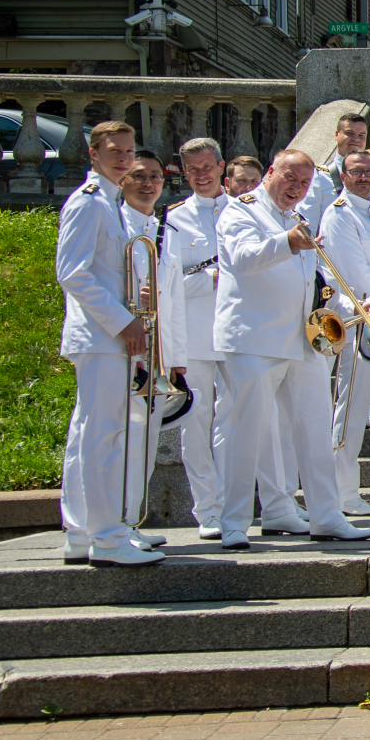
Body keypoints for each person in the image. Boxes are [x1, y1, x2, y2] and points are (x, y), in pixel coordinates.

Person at [211, 150, 370, 551]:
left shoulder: (296, 220)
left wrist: (349, 308)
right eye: (290, 178)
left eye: (304, 184)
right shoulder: (241, 211)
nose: (297, 189)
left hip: (301, 341)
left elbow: (312, 287)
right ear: (270, 173)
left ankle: (326, 515)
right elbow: (243, 259)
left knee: (315, 429)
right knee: (247, 432)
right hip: (254, 340)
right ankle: (233, 521)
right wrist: (287, 241)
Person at [58, 122, 168, 566]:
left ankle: (84, 530)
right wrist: (124, 322)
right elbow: (73, 272)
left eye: (127, 151)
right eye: (114, 151)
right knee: (103, 436)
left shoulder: (109, 202)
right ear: (93, 153)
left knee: (89, 433)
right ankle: (105, 537)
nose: (123, 159)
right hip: (101, 336)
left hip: (106, 335)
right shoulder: (88, 204)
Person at [115, 149, 187, 551]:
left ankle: (130, 521)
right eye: (139, 176)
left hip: (156, 354)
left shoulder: (167, 231)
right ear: (124, 180)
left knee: (143, 443)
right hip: (123, 349)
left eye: (155, 177)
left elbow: (173, 303)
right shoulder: (115, 223)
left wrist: (174, 361)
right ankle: (113, 523)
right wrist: (131, 297)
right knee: (122, 440)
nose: (148, 184)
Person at [321, 151, 370, 516]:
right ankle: (343, 494)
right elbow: (357, 272)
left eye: (369, 171)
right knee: (350, 408)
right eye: (357, 172)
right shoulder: (338, 214)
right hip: (361, 320)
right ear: (343, 174)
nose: (365, 177)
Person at [161, 137, 231, 540]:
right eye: (193, 170)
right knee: (196, 424)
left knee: (238, 421)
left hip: (238, 333)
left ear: (221, 166)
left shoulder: (244, 210)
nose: (201, 175)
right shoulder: (173, 220)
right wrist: (208, 278)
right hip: (197, 335)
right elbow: (167, 286)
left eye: (207, 166)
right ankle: (208, 509)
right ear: (184, 173)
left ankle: (235, 501)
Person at [326, 114, 370, 192]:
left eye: (361, 135)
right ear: (336, 134)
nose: (356, 139)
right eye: (349, 133)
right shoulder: (320, 176)